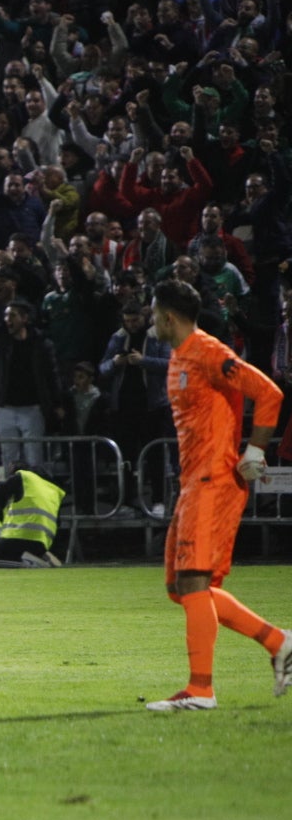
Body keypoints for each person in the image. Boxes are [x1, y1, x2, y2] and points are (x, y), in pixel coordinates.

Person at [142, 279, 290, 711]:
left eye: (153, 315)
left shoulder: (209, 351)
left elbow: (269, 392)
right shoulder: (179, 355)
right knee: (181, 587)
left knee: (194, 582)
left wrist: (256, 450)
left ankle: (201, 690)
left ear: (168, 316)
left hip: (215, 481)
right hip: (194, 483)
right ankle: (280, 642)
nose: (152, 323)